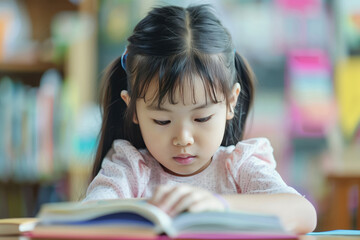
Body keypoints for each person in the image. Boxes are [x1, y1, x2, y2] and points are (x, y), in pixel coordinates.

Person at [84, 4, 317, 234]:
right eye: (162, 121)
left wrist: (220, 205)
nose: (183, 139)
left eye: (202, 118)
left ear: (230, 102)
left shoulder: (238, 167)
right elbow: (87, 219)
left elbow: (304, 213)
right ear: (133, 109)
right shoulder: (130, 169)